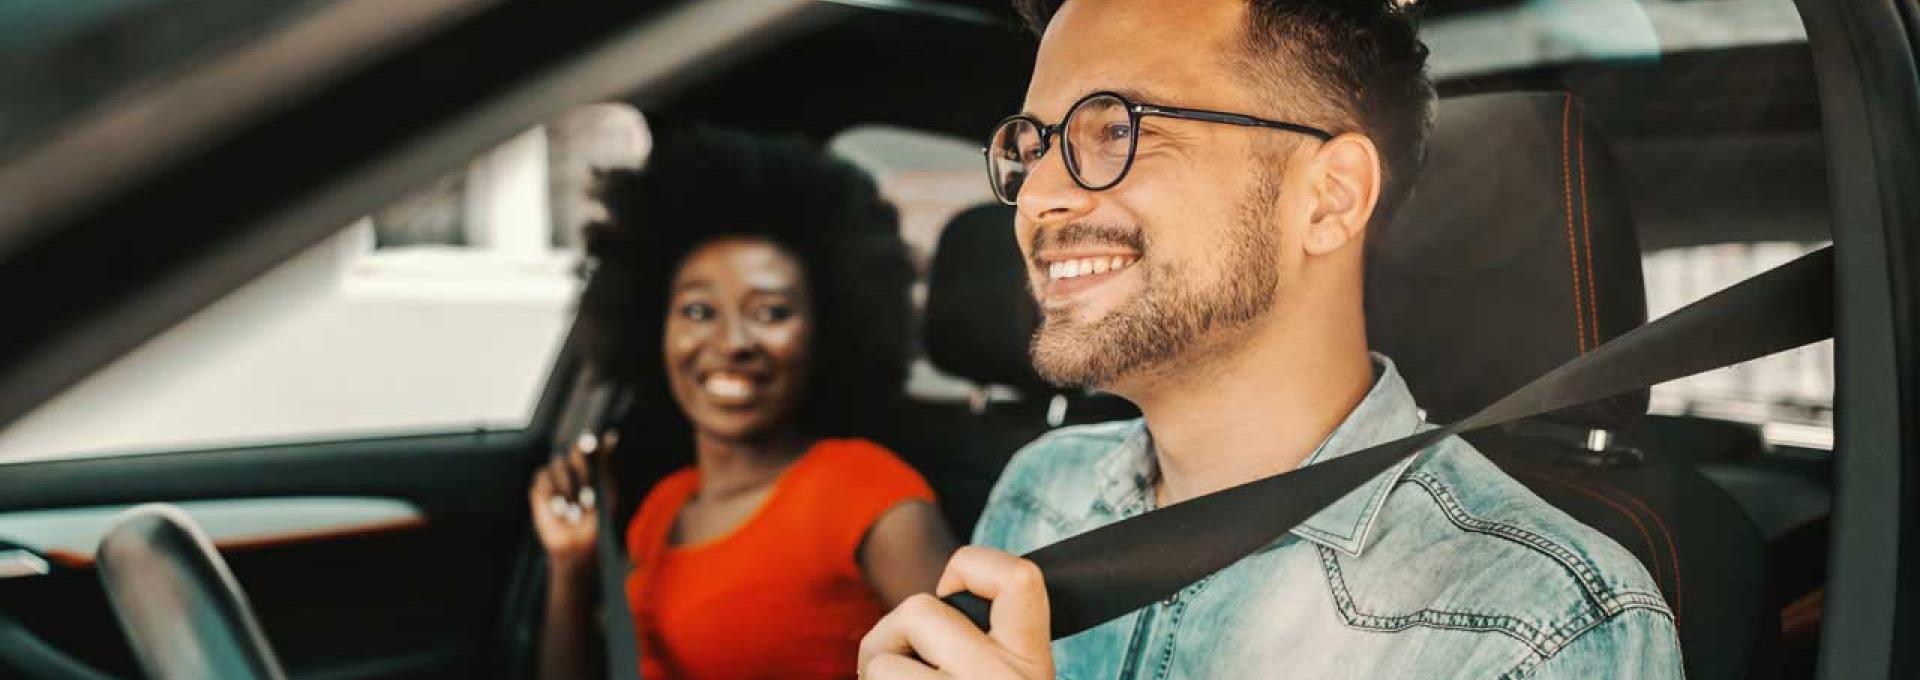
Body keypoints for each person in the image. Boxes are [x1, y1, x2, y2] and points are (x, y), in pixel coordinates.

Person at [859, 1, 1684, 678]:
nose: (1036, 195)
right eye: (1032, 146)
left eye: (1116, 128)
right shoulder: (1040, 491)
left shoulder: (1545, 625)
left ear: (1328, 199)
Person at [530, 123, 957, 680]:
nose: (733, 343)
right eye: (699, 312)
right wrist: (572, 564)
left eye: (771, 313)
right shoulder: (664, 506)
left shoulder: (868, 493)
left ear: (824, 333)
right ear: (651, 327)